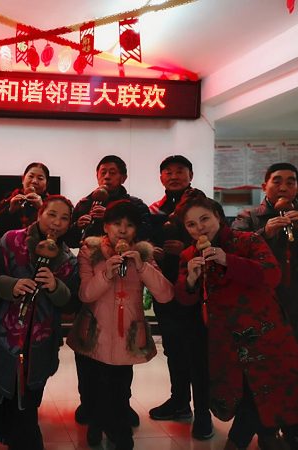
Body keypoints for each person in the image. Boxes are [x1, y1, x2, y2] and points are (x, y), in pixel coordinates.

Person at [174, 188, 298, 450]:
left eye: (204, 219)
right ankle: (266, 435)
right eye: (191, 224)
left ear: (217, 216)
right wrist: (190, 279)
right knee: (243, 388)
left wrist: (228, 261)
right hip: (223, 336)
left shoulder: (247, 241)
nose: (199, 228)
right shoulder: (189, 255)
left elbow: (272, 275)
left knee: (264, 386)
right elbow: (184, 297)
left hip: (263, 330)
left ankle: (237, 443)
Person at [232, 162, 298, 450]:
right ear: (265, 186)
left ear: (297, 188)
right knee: (259, 376)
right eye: (277, 181)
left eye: (290, 181)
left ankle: (296, 434)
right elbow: (233, 253)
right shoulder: (248, 217)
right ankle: (263, 431)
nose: (283, 187)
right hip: (262, 310)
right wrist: (265, 233)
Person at [0, 195, 80, 450]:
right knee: (7, 394)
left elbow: (72, 303)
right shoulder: (11, 240)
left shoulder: (69, 260)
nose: (57, 223)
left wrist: (55, 287)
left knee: (29, 398)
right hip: (4, 334)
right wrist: (11, 285)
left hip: (40, 340)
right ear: (40, 214)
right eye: (52, 214)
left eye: (64, 218)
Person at [67, 200, 174, 450]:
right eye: (117, 224)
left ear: (136, 230)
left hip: (128, 334)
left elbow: (166, 295)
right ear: (106, 226)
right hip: (95, 332)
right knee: (93, 385)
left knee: (120, 385)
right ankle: (106, 425)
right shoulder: (91, 251)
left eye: (129, 225)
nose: (123, 230)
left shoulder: (143, 254)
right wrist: (106, 274)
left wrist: (143, 267)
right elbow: (85, 294)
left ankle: (110, 420)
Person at [66, 155, 152, 426]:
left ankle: (121, 405)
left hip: (128, 288)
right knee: (89, 354)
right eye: (103, 171)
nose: (107, 176)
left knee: (122, 356)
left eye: (113, 172)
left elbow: (147, 230)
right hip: (93, 276)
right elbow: (69, 237)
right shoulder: (85, 203)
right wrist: (80, 225)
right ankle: (88, 404)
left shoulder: (135, 205)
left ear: (123, 177)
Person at [148, 155, 212, 440]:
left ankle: (204, 413)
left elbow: (214, 238)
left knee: (198, 353)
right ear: (161, 177)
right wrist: (153, 251)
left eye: (180, 171)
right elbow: (146, 239)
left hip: (197, 289)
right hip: (166, 290)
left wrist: (185, 246)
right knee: (173, 349)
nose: (174, 176)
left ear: (191, 175)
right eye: (168, 172)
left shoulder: (203, 207)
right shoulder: (154, 210)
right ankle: (180, 402)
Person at [0, 162, 50, 234]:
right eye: (31, 176)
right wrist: (10, 210)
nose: (34, 181)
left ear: (46, 184)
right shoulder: (9, 198)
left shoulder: (52, 203)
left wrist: (42, 209)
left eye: (40, 178)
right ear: (23, 179)